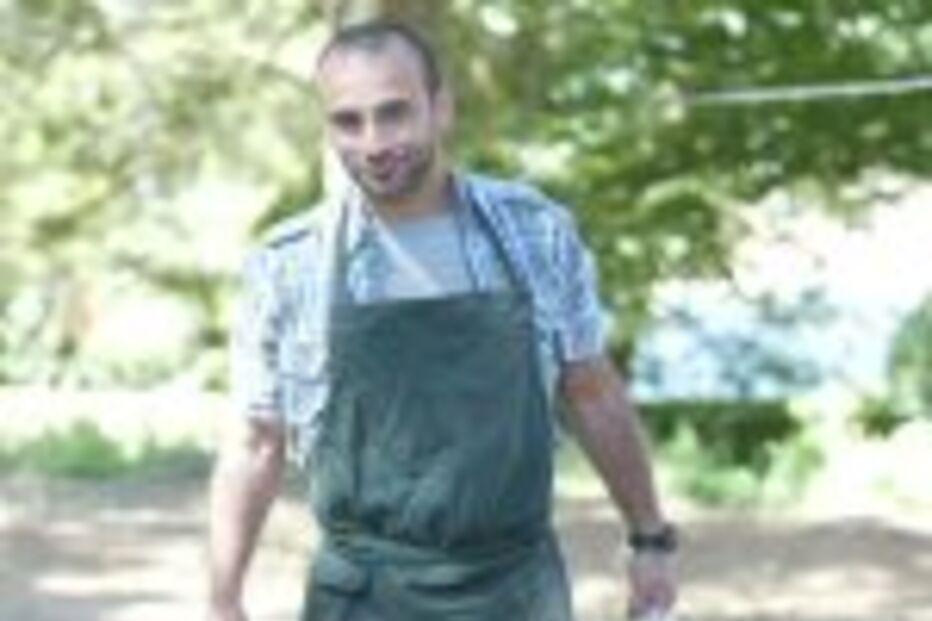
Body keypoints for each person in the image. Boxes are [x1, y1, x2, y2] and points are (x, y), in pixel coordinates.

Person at [208, 19, 677, 621]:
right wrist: (224, 599)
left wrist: (649, 538)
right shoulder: (289, 263)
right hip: (362, 597)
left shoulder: (534, 232)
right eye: (348, 121)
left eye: (394, 113)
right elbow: (255, 441)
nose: (374, 143)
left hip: (515, 591)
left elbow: (592, 394)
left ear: (441, 108)